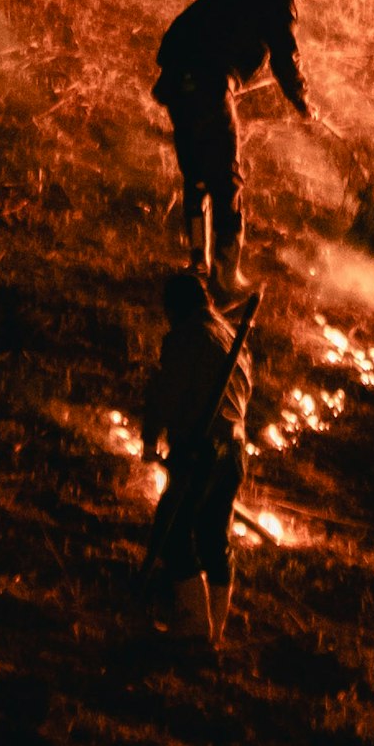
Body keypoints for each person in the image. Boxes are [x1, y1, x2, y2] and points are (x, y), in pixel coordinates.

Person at [152, 0, 320, 284]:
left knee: (196, 179)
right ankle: (227, 273)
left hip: (177, 79)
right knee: (227, 181)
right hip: (210, 84)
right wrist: (302, 103)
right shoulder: (278, 1)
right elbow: (285, 59)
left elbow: (202, 22)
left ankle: (198, 263)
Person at [133, 265, 256, 652]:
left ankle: (196, 627)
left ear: (176, 307)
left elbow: (167, 393)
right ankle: (214, 628)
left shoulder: (188, 337)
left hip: (201, 448)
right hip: (234, 450)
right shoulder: (231, 335)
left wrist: (151, 438)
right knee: (212, 536)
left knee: (171, 534)